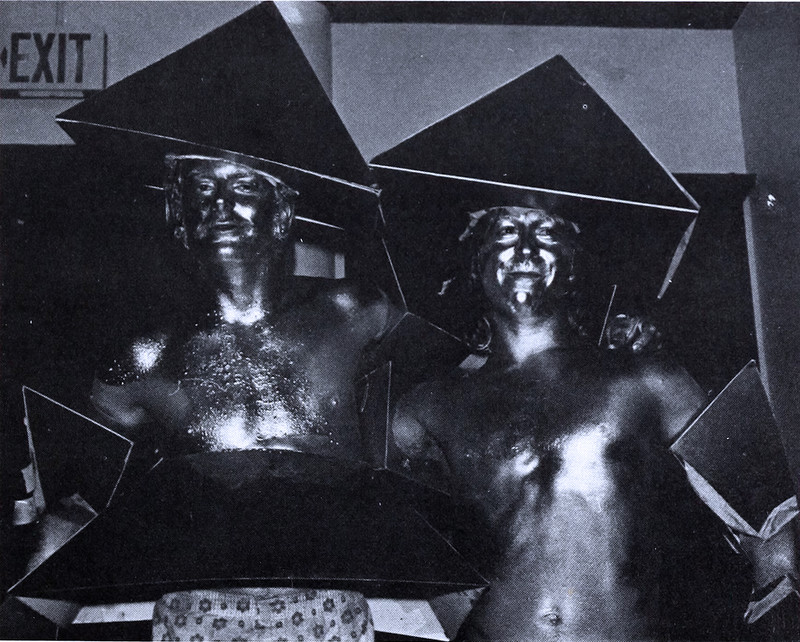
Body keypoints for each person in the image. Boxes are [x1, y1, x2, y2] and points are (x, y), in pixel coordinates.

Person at [392, 203, 749, 641]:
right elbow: (394, 542)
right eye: (505, 232)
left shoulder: (647, 379)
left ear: (574, 263)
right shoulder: (431, 404)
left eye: (546, 233)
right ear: (475, 264)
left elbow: (770, 522)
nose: (525, 248)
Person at [89, 153, 396, 642]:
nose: (220, 204)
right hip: (199, 607)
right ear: (178, 216)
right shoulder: (146, 354)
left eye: (244, 187)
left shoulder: (354, 311)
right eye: (202, 188)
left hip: (327, 601)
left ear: (283, 212)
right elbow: (92, 485)